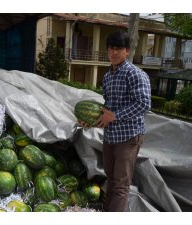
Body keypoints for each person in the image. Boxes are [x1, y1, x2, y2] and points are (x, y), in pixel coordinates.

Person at [79, 30, 151, 212]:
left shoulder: (135, 74)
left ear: (127, 51)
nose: (114, 52)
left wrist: (116, 116)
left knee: (120, 184)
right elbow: (106, 110)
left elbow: (144, 104)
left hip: (129, 137)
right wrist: (91, 122)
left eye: (118, 48)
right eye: (111, 48)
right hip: (111, 136)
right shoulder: (107, 76)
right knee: (110, 179)